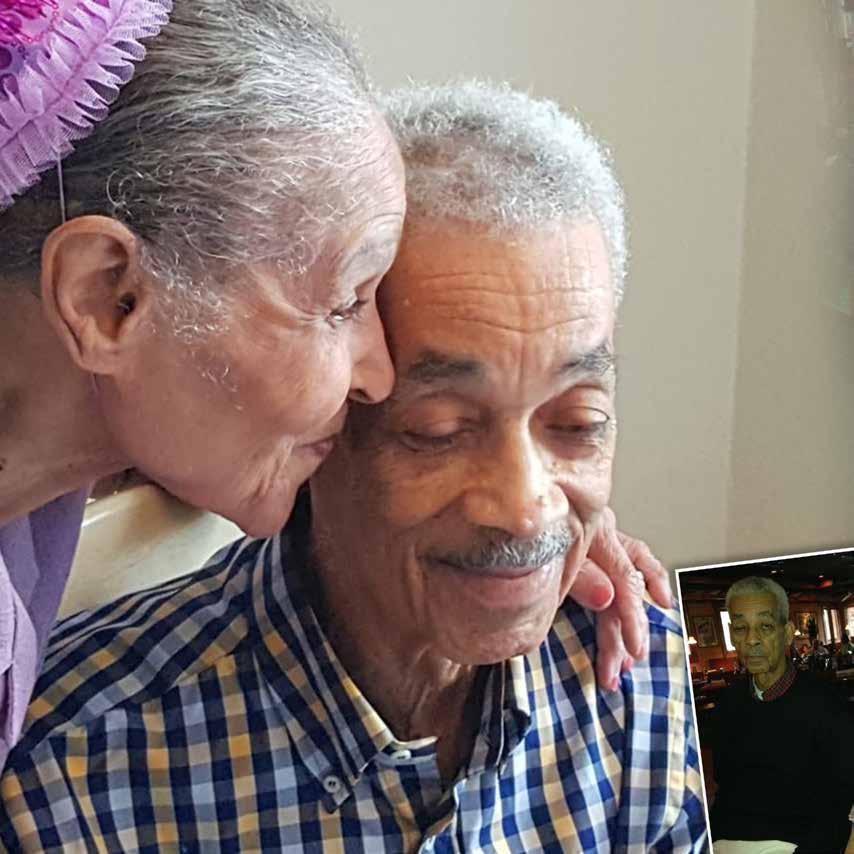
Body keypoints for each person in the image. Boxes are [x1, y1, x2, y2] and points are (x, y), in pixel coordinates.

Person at [0, 81, 708, 853]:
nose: (526, 506)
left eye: (578, 424)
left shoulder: (642, 679)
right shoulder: (75, 774)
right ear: (321, 418)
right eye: (439, 432)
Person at [710, 576, 854, 852]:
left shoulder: (826, 704)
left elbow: (839, 799)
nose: (752, 640)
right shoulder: (727, 704)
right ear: (731, 635)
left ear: (787, 633)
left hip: (796, 842)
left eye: (765, 626)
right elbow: (724, 786)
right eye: (740, 628)